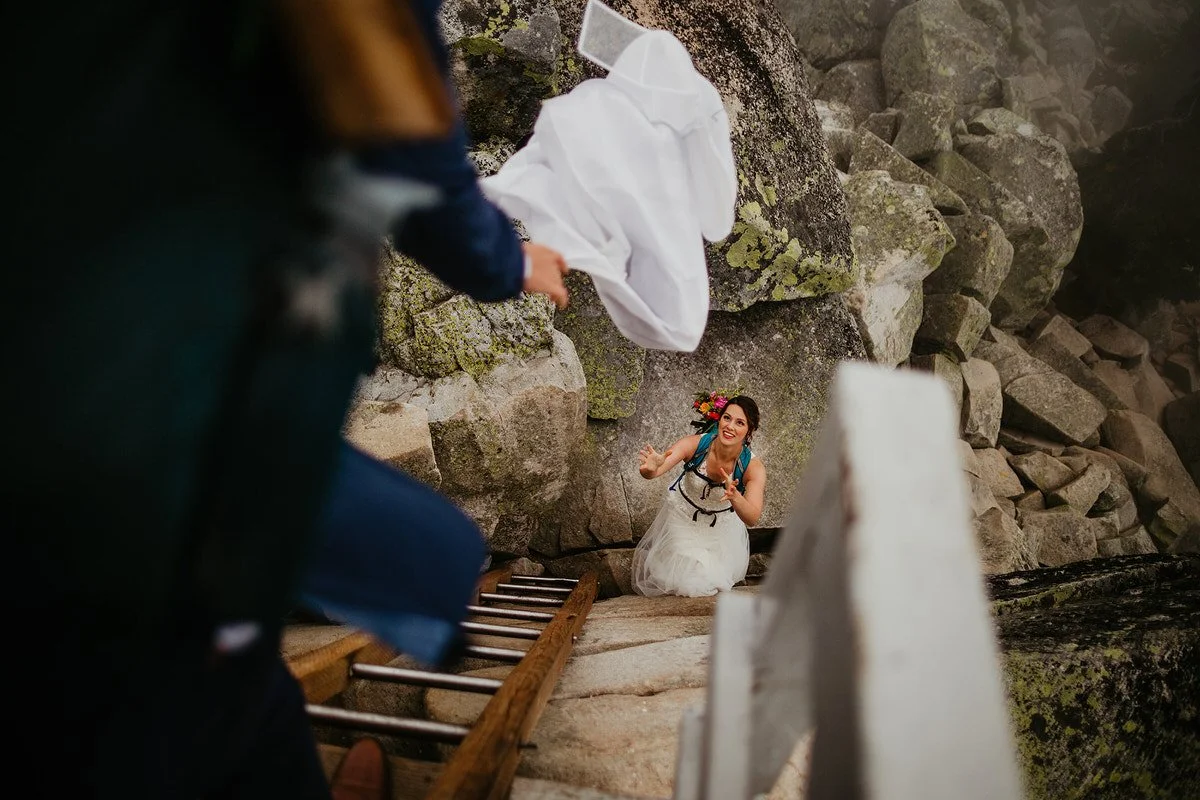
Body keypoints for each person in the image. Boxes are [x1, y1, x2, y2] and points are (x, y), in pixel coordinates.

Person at [632, 396, 766, 597]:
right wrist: (650, 468)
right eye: (727, 418)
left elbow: (753, 517)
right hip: (682, 519)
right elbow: (655, 471)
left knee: (710, 581)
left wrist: (735, 497)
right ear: (719, 420)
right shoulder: (695, 444)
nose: (730, 426)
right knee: (686, 580)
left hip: (720, 530)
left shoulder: (753, 467)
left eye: (740, 423)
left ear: (750, 430)